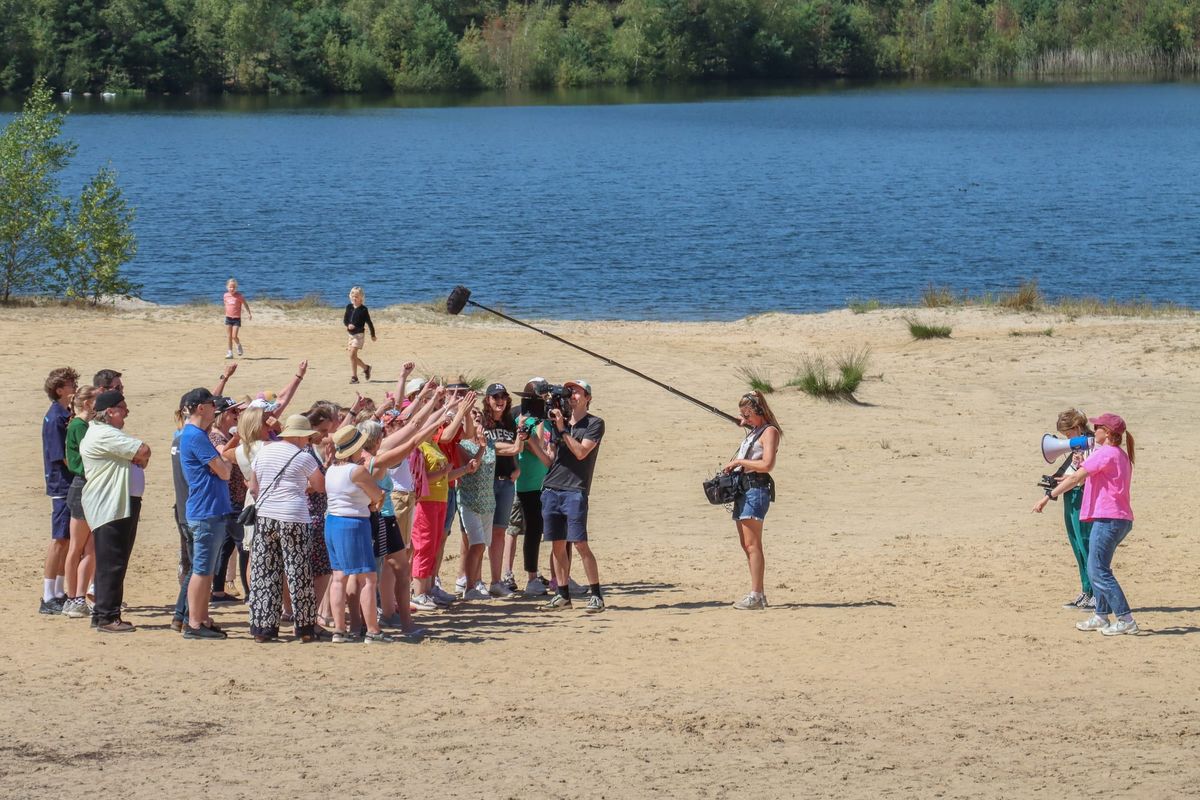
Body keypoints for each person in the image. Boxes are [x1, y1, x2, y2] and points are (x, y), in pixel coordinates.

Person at [1046, 412, 1138, 636]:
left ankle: (1126, 619)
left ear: (1106, 433)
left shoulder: (1106, 453)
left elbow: (1077, 478)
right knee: (1097, 567)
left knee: (1098, 570)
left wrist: (1047, 497)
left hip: (1109, 519)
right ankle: (1101, 615)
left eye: (1097, 427)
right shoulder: (1120, 454)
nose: (1092, 429)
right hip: (1118, 518)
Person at [525, 379, 607, 613]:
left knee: (580, 543)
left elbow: (581, 452)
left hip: (575, 490)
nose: (572, 396)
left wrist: (561, 429)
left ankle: (596, 595)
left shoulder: (595, 423)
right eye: (570, 392)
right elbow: (549, 461)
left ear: (588, 397)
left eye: (578, 392)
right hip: (551, 488)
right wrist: (530, 440)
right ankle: (562, 595)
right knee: (557, 545)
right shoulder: (557, 423)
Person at [246, 415, 324, 643]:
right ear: (300, 436)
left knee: (265, 571)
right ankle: (305, 629)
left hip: (266, 515)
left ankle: (263, 628)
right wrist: (301, 486)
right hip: (294, 517)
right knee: (298, 572)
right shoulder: (303, 457)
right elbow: (320, 485)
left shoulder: (265, 451)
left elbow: (253, 487)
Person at [79, 391, 150, 632]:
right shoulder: (104, 433)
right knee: (113, 562)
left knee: (112, 561)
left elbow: (141, 456)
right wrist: (137, 459)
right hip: (113, 504)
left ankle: (103, 614)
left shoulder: (105, 433)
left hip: (116, 503)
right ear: (110, 411)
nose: (126, 412)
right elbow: (144, 451)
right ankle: (108, 617)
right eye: (123, 408)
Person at [179, 387, 238, 640]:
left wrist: (223, 464)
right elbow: (224, 471)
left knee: (206, 569)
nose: (216, 409)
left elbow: (222, 468)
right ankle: (194, 622)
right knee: (202, 570)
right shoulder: (195, 436)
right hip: (205, 510)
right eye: (212, 405)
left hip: (208, 508)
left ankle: (201, 618)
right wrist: (224, 464)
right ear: (200, 407)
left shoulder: (196, 434)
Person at [722, 391, 781, 610]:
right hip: (743, 488)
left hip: (756, 488)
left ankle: (756, 595)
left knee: (752, 544)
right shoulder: (755, 431)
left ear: (758, 411)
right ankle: (758, 593)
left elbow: (767, 464)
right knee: (746, 545)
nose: (743, 420)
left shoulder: (770, 432)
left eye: (747, 415)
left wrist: (740, 460)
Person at [1032, 409, 1095, 609]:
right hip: (1072, 496)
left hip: (1084, 497)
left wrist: (1050, 495)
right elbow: (1070, 471)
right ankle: (1086, 590)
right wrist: (1056, 481)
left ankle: (1097, 593)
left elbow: (1080, 477)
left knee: (1086, 545)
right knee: (1077, 544)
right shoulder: (1078, 447)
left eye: (1068, 435)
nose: (1066, 439)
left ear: (1077, 428)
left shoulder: (1091, 444)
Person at [41, 367, 79, 614]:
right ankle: (47, 596)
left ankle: (57, 592)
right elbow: (62, 456)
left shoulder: (63, 413)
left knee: (66, 539)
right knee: (60, 540)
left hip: (65, 483)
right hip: (61, 484)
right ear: (59, 389)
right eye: (71, 384)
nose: (75, 387)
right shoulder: (56, 417)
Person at [61, 386, 98, 619]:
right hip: (83, 486)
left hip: (86, 487)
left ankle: (76, 597)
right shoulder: (79, 426)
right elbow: (82, 459)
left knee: (86, 547)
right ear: (87, 404)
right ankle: (73, 597)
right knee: (80, 547)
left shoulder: (82, 425)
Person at [512, 378, 551, 595]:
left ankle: (539, 575)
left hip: (539, 479)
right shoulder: (527, 420)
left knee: (539, 529)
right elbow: (535, 446)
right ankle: (531, 577)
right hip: (529, 481)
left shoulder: (535, 419)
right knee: (533, 529)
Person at [481, 383, 520, 596]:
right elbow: (488, 446)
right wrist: (512, 449)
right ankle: (471, 581)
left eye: (503, 396)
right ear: (488, 400)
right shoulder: (483, 422)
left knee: (499, 532)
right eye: (495, 397)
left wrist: (517, 467)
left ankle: (496, 581)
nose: (500, 400)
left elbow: (514, 449)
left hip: (506, 482)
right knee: (478, 533)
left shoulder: (509, 421)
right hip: (486, 481)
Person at [456, 410, 494, 600]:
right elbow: (472, 467)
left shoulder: (491, 444)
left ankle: (478, 582)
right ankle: (469, 587)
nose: (478, 418)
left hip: (488, 501)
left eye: (480, 416)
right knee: (476, 544)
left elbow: (513, 450)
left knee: (483, 545)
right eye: (473, 416)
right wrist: (482, 447)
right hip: (469, 500)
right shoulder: (461, 445)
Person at [344, 285, 375, 384]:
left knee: (353, 354)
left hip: (359, 335)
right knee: (352, 357)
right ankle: (366, 368)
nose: (354, 298)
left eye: (357, 296)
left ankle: (354, 377)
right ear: (350, 296)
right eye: (353, 296)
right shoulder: (349, 307)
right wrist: (348, 325)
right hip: (350, 335)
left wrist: (373, 335)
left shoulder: (363, 310)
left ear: (361, 297)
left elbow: (369, 323)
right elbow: (345, 320)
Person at [223, 278, 253, 359]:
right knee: (229, 336)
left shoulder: (239, 296)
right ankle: (230, 353)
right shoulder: (225, 295)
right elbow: (226, 305)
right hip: (228, 318)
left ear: (236, 287)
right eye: (230, 287)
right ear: (227, 287)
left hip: (236, 319)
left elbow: (245, 304)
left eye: (233, 287)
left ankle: (238, 345)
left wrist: (249, 313)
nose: (232, 289)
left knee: (234, 336)